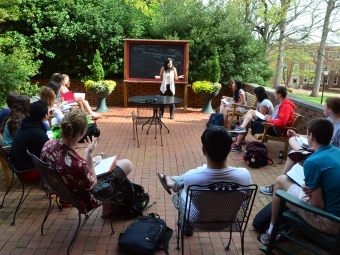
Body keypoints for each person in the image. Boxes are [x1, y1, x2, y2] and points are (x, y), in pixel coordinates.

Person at [258, 118, 340, 245]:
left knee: (281, 182)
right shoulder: (337, 152)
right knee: (292, 184)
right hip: (335, 213)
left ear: (311, 136)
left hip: (330, 222)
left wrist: (309, 190)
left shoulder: (313, 161)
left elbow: (318, 206)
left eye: (307, 133)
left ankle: (271, 232)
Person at [40, 109, 133, 217]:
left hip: (63, 191)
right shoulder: (78, 165)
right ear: (82, 132)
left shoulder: (48, 144)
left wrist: (89, 161)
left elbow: (67, 164)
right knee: (126, 164)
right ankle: (109, 206)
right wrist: (88, 156)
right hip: (84, 200)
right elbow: (93, 184)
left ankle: (109, 206)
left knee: (111, 161)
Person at [157, 126, 252, 222]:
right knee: (199, 173)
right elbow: (246, 198)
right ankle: (173, 181)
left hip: (198, 222)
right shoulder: (244, 174)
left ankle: (186, 227)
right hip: (228, 220)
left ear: (203, 150)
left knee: (183, 191)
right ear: (229, 149)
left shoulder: (191, 177)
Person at [259, 96, 340, 195]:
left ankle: (278, 184)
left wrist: (317, 149)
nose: (323, 108)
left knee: (293, 154)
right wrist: (297, 135)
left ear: (330, 110)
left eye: (325, 106)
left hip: (325, 153)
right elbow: (313, 135)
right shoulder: (329, 121)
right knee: (292, 139)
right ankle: (302, 152)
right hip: (317, 147)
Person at [230, 86, 295, 152]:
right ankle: (239, 137)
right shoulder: (283, 104)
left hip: (273, 129)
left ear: (279, 95)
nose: (274, 94)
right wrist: (269, 119)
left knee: (247, 121)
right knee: (249, 115)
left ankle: (238, 143)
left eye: (275, 93)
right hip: (271, 125)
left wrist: (269, 120)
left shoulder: (286, 106)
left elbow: (282, 123)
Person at [9, 100, 50, 182]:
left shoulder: (25, 126)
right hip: (27, 173)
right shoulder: (38, 133)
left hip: (17, 168)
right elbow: (49, 154)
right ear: (45, 115)